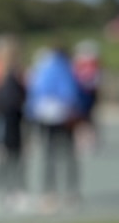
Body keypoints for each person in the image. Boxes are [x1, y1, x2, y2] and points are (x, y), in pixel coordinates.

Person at [25, 44, 83, 208]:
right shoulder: (64, 67)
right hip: (63, 114)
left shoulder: (42, 67)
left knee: (49, 155)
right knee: (68, 154)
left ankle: (48, 193)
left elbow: (34, 94)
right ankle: (71, 192)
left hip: (44, 115)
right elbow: (70, 92)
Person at [0, 40, 29, 209]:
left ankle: (14, 191)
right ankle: (3, 191)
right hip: (2, 121)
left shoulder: (17, 76)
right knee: (5, 159)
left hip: (13, 121)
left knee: (15, 158)